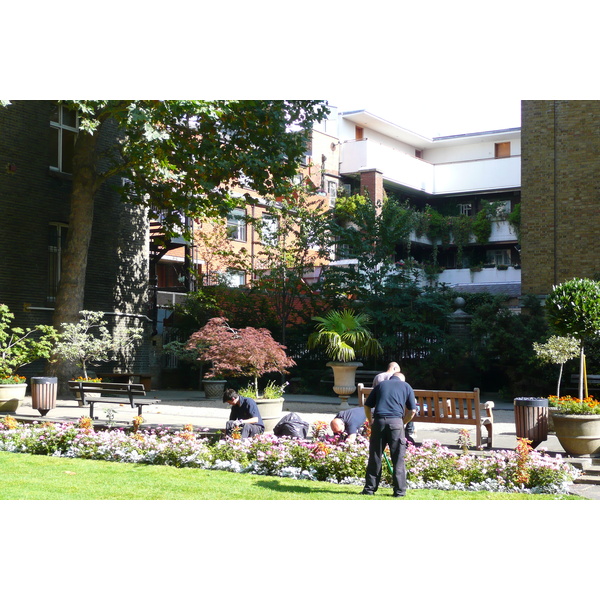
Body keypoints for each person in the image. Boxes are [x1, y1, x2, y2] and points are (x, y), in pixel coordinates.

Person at [361, 374, 417, 497]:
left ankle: (369, 489)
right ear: (402, 379)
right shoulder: (406, 386)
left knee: (375, 456)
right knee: (398, 458)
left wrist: (370, 420)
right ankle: (399, 491)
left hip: (379, 422)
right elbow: (412, 410)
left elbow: (367, 405)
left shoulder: (381, 385)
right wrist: (402, 423)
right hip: (396, 422)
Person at [372, 362, 415, 443]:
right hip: (395, 415)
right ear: (394, 369)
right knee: (411, 408)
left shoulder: (378, 376)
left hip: (379, 410)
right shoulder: (396, 377)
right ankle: (409, 431)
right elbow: (412, 409)